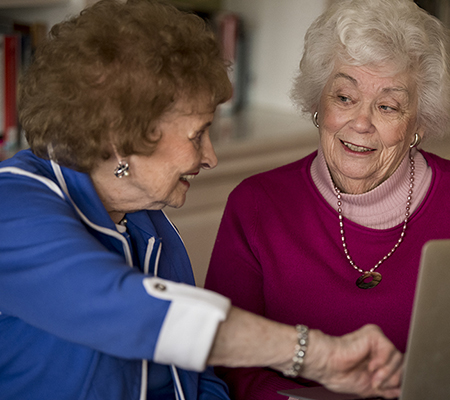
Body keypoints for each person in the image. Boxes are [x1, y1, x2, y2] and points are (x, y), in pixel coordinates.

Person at [0, 1, 404, 399]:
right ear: (119, 138)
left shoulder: (147, 222)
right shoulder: (12, 208)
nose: (210, 156)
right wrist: (313, 354)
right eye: (197, 134)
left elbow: (195, 378)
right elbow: (130, 311)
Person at [204, 0, 450, 398]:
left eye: (388, 106)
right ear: (318, 104)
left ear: (419, 124)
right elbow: (227, 367)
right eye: (344, 97)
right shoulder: (256, 206)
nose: (360, 122)